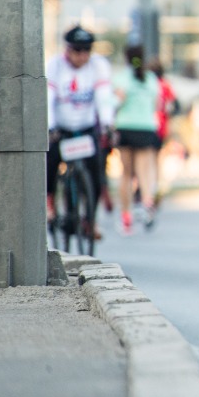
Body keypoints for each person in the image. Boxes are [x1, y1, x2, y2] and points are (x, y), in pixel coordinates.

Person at [46, 26, 114, 242]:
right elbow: (48, 98)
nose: (82, 56)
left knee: (97, 170)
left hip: (85, 127)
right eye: (77, 51)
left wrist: (107, 124)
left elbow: (104, 97)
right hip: (61, 126)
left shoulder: (98, 66)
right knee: (49, 159)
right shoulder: (55, 66)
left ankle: (91, 220)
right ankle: (49, 204)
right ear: (68, 49)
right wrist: (50, 126)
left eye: (86, 51)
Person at [112, 43, 164, 234]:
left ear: (126, 58)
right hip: (146, 127)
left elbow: (116, 102)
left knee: (126, 174)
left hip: (125, 126)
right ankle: (147, 203)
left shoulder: (121, 78)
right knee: (145, 171)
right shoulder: (151, 79)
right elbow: (158, 105)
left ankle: (126, 218)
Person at [150, 59, 178, 208]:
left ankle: (146, 190)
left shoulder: (146, 83)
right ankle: (154, 189)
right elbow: (171, 107)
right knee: (156, 161)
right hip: (161, 128)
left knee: (144, 160)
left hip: (146, 126)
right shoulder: (166, 86)